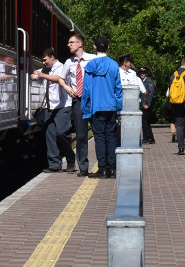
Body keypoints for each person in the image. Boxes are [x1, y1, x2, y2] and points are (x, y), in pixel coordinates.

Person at [80, 35, 123, 178]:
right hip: (111, 106)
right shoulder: (114, 65)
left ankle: (102, 169)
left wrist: (84, 108)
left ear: (94, 47)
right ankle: (112, 168)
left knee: (99, 137)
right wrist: (119, 108)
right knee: (111, 136)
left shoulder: (90, 66)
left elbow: (85, 90)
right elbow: (118, 89)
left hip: (96, 106)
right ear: (108, 48)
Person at [32, 48, 74, 173]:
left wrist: (42, 75)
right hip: (49, 108)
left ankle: (71, 159)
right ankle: (55, 164)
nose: (44, 63)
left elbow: (58, 79)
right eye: (42, 61)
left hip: (62, 106)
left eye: (45, 60)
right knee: (50, 135)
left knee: (61, 133)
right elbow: (34, 76)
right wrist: (33, 72)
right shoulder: (44, 70)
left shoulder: (61, 67)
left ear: (52, 57)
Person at [64, 32, 96, 176]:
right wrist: (67, 88)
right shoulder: (69, 62)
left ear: (80, 44)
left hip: (93, 99)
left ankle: (105, 165)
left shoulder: (92, 59)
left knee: (99, 132)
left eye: (72, 42)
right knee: (81, 134)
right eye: (69, 43)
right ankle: (83, 167)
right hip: (78, 100)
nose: (68, 45)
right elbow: (60, 78)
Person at [118, 52, 145, 145]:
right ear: (125, 62)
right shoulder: (117, 72)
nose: (130, 64)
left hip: (132, 104)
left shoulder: (132, 73)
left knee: (134, 126)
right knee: (121, 127)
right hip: (122, 103)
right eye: (129, 62)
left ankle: (134, 143)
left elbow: (137, 87)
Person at [139, 66, 156, 144]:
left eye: (144, 73)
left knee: (144, 122)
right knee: (147, 121)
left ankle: (146, 138)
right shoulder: (140, 81)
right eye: (141, 73)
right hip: (142, 103)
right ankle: (150, 138)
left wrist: (147, 104)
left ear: (146, 73)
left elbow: (151, 93)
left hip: (146, 104)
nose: (142, 74)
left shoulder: (148, 81)